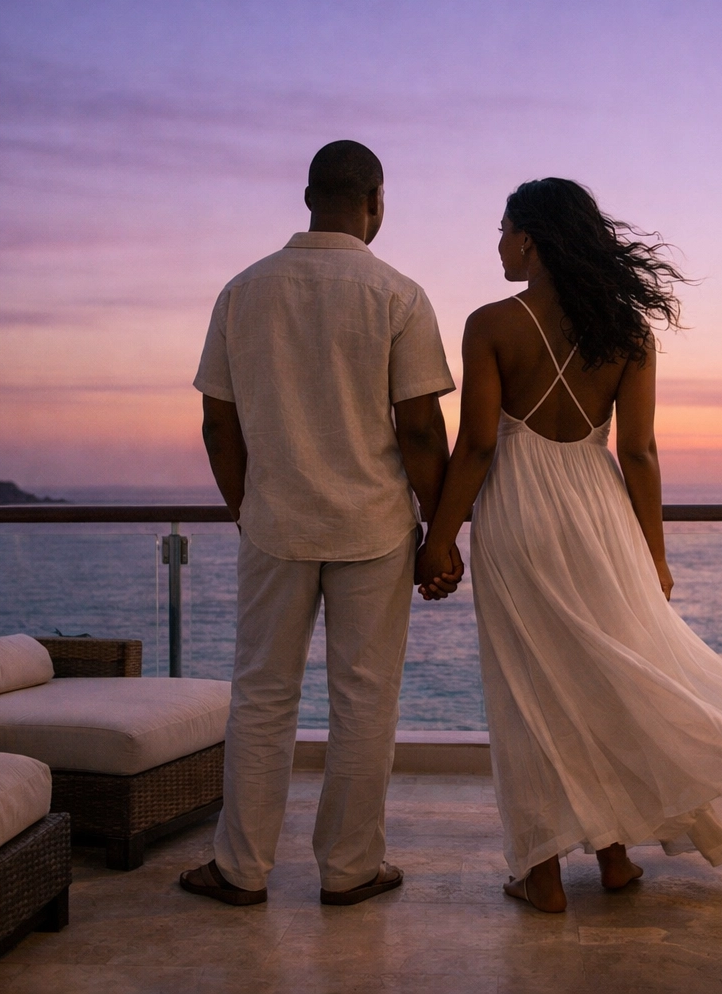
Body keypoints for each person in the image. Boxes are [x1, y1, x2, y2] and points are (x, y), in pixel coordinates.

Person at [415, 178, 722, 912]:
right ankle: (615, 856)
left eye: (503, 230)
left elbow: (474, 446)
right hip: (601, 518)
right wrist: (654, 554)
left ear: (530, 238)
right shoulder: (628, 332)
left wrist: (438, 539)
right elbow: (641, 455)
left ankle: (541, 873)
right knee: (602, 682)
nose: (498, 244)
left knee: (530, 691)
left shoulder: (491, 324)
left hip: (521, 515)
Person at [182, 140, 460, 907]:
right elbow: (420, 432)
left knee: (262, 696)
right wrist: (439, 531)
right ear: (377, 202)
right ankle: (349, 869)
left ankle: (239, 870)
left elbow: (217, 423)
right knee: (365, 700)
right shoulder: (398, 294)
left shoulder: (243, 291)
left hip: (275, 523)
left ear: (308, 197)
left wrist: (246, 507)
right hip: (372, 528)